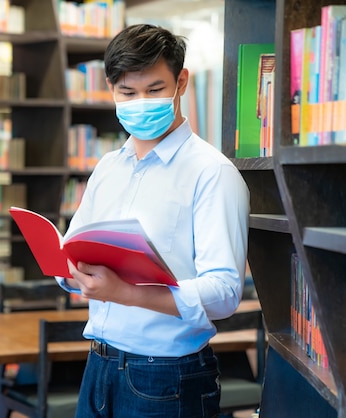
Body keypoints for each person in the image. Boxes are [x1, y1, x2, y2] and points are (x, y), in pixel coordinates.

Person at [55, 24, 250, 417]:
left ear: (181, 82)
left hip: (166, 376)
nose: (140, 102)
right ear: (111, 88)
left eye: (154, 90)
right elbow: (74, 249)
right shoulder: (108, 168)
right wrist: (67, 269)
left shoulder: (212, 173)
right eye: (127, 93)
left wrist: (124, 293)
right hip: (98, 364)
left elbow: (225, 291)